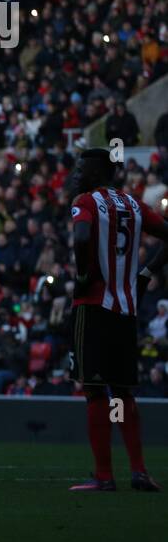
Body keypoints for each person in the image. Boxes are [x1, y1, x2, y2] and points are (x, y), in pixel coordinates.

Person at [67, 148, 165, 491]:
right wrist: (147, 272)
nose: (76, 174)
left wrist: (83, 274)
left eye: (81, 169)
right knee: (122, 394)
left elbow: (81, 237)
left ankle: (104, 476)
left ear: (93, 172)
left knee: (95, 392)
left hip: (92, 307)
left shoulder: (87, 202)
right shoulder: (134, 204)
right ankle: (138, 471)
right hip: (125, 309)